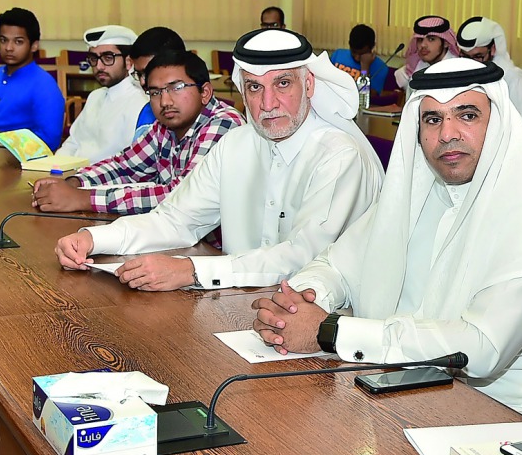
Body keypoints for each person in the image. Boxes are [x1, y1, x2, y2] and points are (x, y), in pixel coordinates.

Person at [251, 58, 522, 427]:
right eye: (433, 119)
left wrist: (330, 331)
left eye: (467, 115)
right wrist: (300, 303)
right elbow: (335, 265)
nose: (447, 134)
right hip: (422, 398)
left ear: (499, 122)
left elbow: (480, 349)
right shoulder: (418, 192)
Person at [53, 28, 383, 291]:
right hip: (239, 307)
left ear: (309, 84)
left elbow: (302, 257)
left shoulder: (340, 155)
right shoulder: (235, 145)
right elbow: (175, 220)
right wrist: (93, 238)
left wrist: (192, 270)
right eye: (254, 88)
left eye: (282, 84)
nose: (268, 103)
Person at [32, 50, 244, 216]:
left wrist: (83, 199)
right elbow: (124, 167)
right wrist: (73, 183)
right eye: (155, 92)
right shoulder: (165, 126)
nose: (165, 101)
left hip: (218, 248)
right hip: (177, 235)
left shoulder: (224, 124)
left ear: (205, 92)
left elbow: (182, 196)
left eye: (176, 87)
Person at [0, 7, 65, 148]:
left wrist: (3, 144)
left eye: (18, 42)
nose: (9, 48)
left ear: (34, 46)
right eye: (3, 40)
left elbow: (49, 139)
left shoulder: (44, 86)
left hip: (13, 157)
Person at [56, 25, 149, 163]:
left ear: (129, 62)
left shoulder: (140, 102)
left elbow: (130, 161)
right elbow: (72, 143)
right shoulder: (95, 96)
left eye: (108, 57)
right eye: (94, 58)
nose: (99, 66)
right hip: (75, 172)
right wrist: (54, 168)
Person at [457, 16, 522, 139]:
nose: (471, 63)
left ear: (493, 49)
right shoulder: (465, 74)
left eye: (478, 56)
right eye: (465, 57)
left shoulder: (515, 79)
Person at [394, 15, 459, 91]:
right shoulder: (417, 64)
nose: (423, 45)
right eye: (420, 40)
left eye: (431, 39)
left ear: (445, 43)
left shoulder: (456, 70)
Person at [330, 24, 389, 98]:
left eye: (362, 54)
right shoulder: (338, 55)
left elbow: (365, 96)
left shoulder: (381, 68)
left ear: (372, 47)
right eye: (354, 52)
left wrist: (365, 68)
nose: (357, 58)